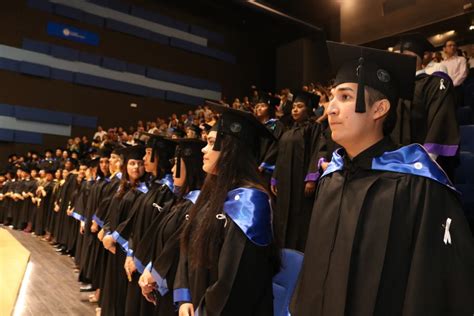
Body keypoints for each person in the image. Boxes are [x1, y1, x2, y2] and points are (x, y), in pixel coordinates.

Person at [290, 41, 474, 316]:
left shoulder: (418, 184)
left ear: (379, 109)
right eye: (331, 98)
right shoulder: (331, 178)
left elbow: (432, 290)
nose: (330, 109)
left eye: (345, 97)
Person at [175, 102, 280, 316]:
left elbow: (234, 284)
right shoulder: (212, 194)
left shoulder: (250, 203)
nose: (203, 149)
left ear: (231, 149)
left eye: (211, 142)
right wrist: (185, 295)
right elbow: (189, 246)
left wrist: (202, 311)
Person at [138, 138, 205, 316]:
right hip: (164, 287)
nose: (173, 170)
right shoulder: (180, 203)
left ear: (191, 166)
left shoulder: (199, 207)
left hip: (179, 292)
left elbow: (178, 248)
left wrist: (155, 274)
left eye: (177, 164)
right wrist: (150, 268)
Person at [392, 33, 459, 180]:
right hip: (392, 165)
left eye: (406, 55)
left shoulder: (435, 83)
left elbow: (441, 121)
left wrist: (421, 165)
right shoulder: (391, 90)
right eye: (396, 56)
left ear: (423, 57)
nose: (399, 60)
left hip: (426, 169)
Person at [271, 91, 327, 251]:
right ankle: (281, 252)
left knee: (298, 217)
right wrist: (275, 178)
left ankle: (297, 255)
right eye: (294, 106)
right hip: (284, 182)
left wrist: (311, 178)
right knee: (282, 216)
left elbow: (319, 150)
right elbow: (279, 155)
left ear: (308, 109)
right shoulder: (288, 130)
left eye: (300, 106)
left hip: (300, 181)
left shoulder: (314, 128)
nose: (295, 110)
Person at [101, 145, 147, 316]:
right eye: (132, 163)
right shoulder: (123, 187)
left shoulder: (145, 192)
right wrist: (106, 231)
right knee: (113, 289)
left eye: (140, 163)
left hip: (127, 248)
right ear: (125, 166)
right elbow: (112, 213)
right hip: (114, 246)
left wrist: (113, 237)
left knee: (122, 293)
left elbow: (134, 221)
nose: (136, 167)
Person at [254, 93, 285, 189]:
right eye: (258, 106)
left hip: (267, 170)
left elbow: (276, 145)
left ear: (270, 108)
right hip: (254, 167)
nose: (259, 108)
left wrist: (264, 164)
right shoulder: (255, 125)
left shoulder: (277, 125)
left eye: (263, 106)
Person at [442, 40, 468, 107]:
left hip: (457, 89)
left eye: (454, 45)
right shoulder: (442, 63)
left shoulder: (461, 59)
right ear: (444, 49)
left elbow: (463, 74)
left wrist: (451, 85)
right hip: (444, 90)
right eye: (450, 45)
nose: (453, 47)